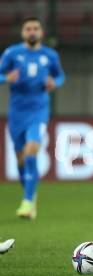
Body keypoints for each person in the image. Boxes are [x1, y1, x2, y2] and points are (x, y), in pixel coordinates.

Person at [0, 17, 65, 219]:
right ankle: (30, 194)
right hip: (17, 112)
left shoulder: (50, 55)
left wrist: (54, 82)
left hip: (39, 110)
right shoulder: (12, 53)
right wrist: (5, 78)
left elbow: (61, 76)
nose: (32, 32)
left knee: (31, 151)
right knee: (20, 159)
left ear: (41, 32)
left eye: (35, 28)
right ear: (23, 32)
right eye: (28, 28)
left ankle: (27, 202)